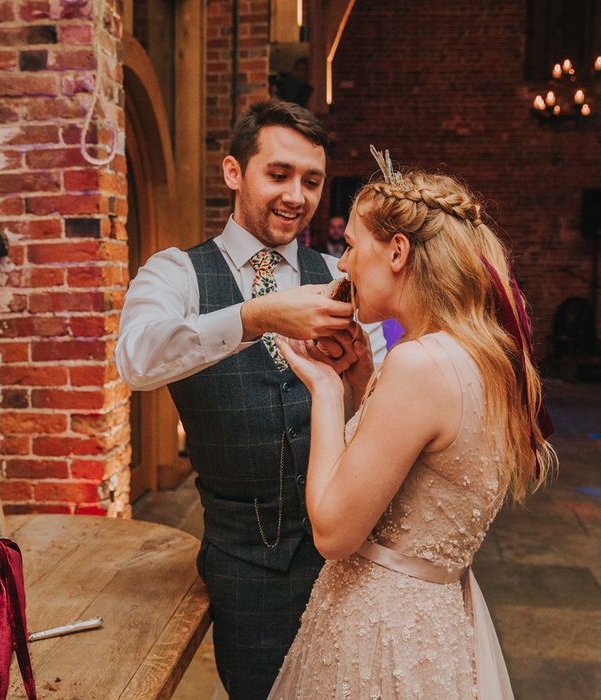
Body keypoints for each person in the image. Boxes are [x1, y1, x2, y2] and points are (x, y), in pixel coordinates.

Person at [115, 100, 386, 699]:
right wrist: (252, 315)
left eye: (311, 181)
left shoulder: (341, 274)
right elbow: (136, 359)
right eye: (279, 174)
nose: (297, 195)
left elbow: (385, 405)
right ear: (234, 172)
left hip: (351, 554)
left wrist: (363, 380)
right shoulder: (177, 273)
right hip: (246, 563)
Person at [268, 149, 557, 699]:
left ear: (397, 251)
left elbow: (334, 532)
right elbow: (417, 484)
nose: (344, 264)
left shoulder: (419, 363)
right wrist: (359, 385)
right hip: (437, 618)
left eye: (351, 246)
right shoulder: (483, 353)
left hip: (381, 631)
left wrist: (326, 391)